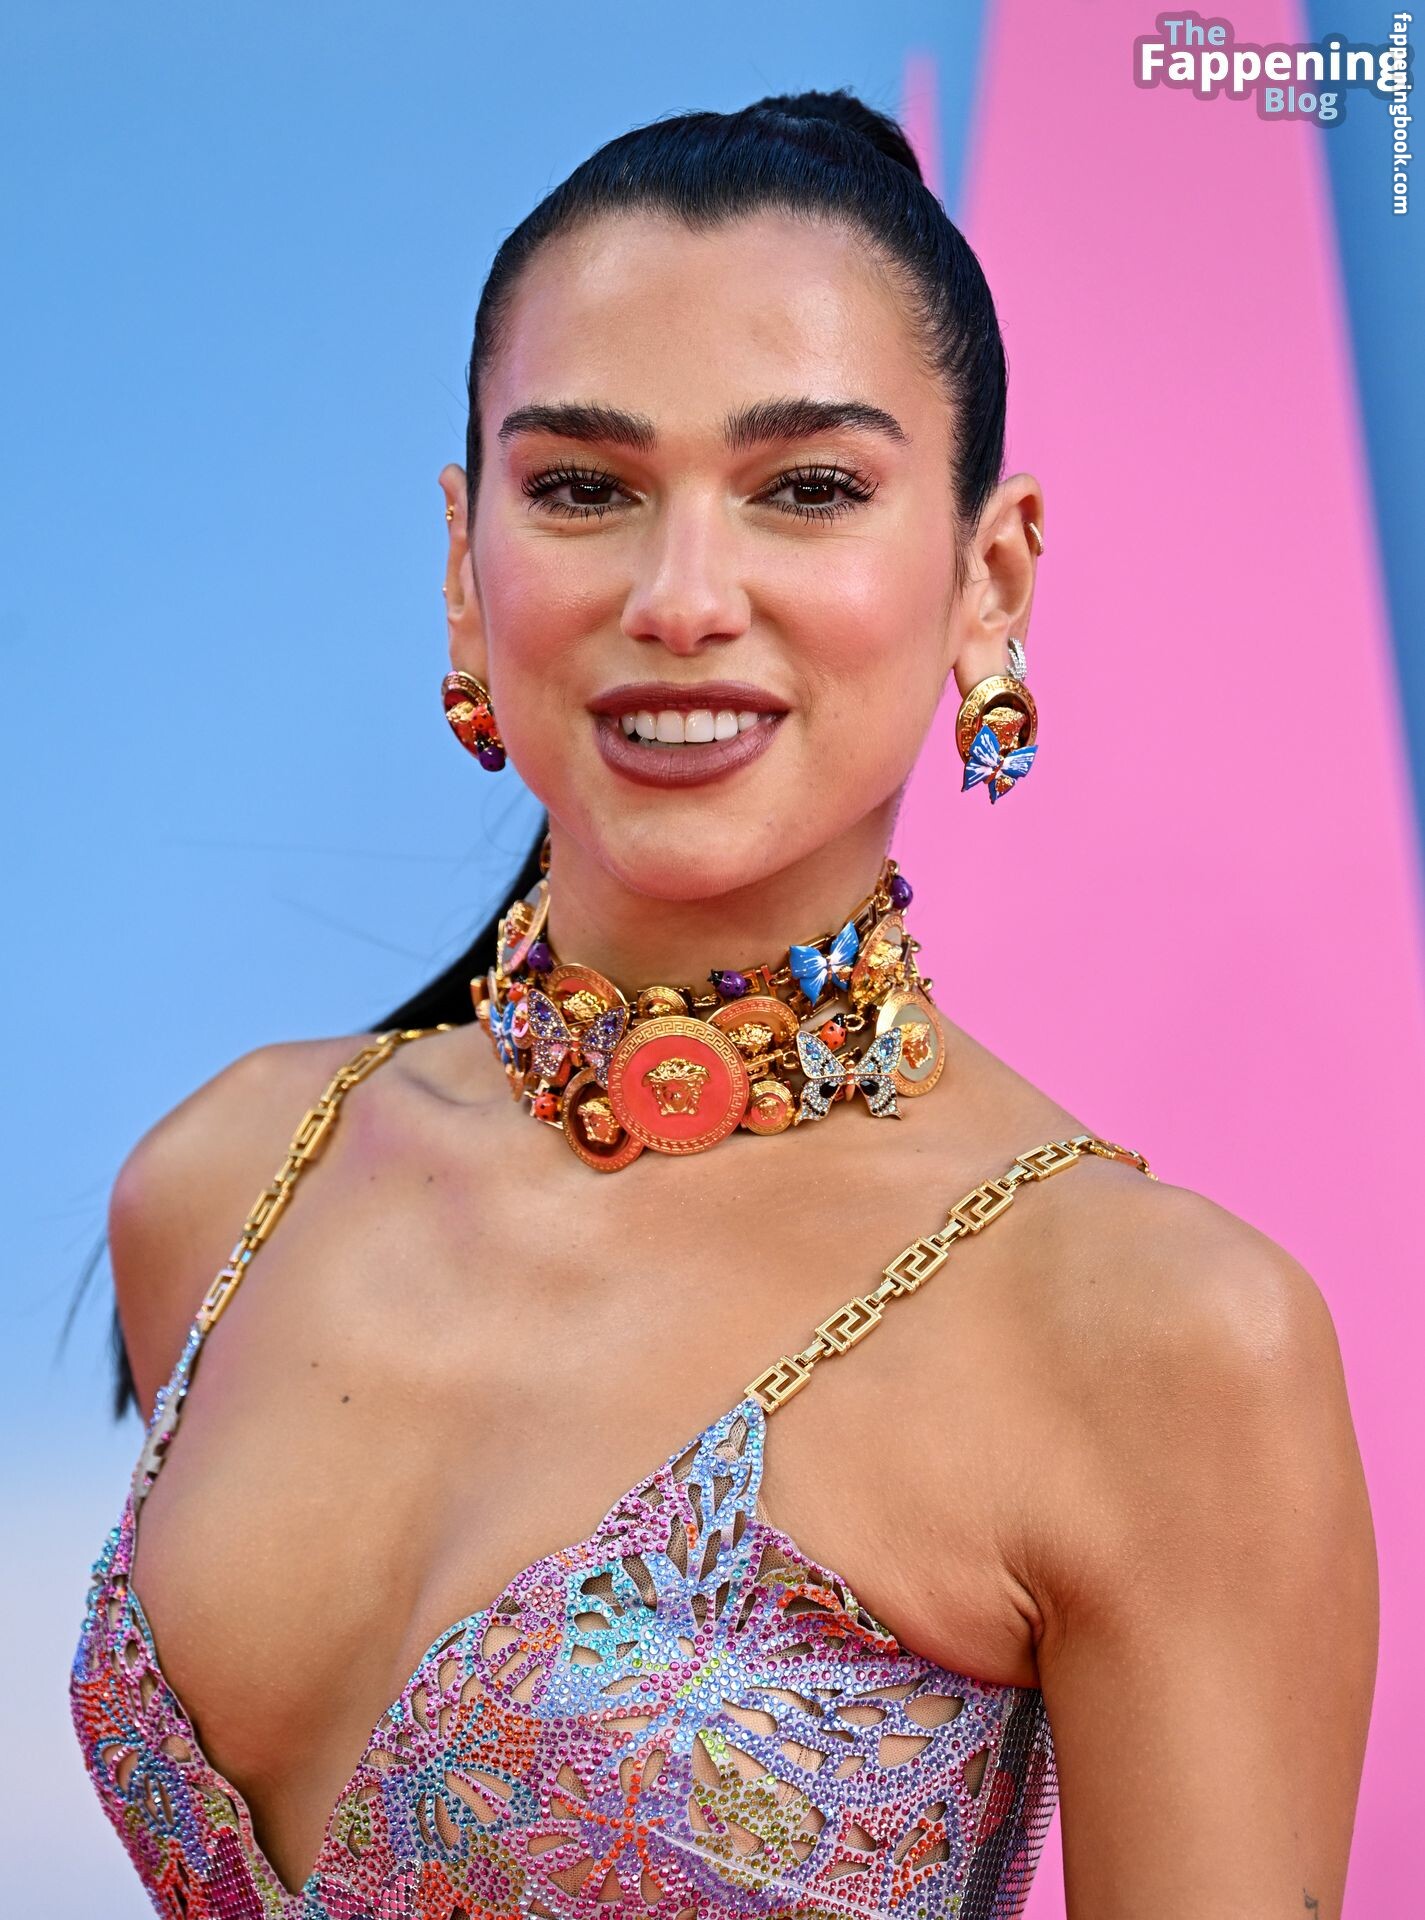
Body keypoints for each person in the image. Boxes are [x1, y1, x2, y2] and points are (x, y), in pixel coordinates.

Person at [69, 88, 1377, 1920]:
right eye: (581, 489)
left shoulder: (1159, 1341)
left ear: (987, 577)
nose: (681, 598)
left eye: (808, 490)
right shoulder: (231, 1180)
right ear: (464, 563)